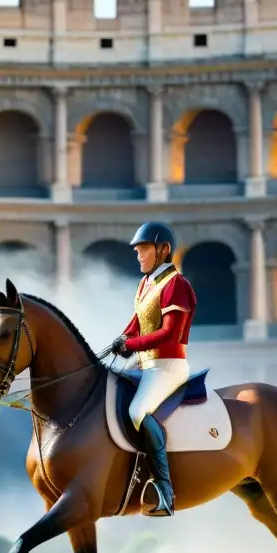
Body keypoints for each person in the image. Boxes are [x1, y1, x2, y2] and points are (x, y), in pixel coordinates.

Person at [109, 221, 198, 518]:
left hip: (168, 366)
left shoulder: (177, 285)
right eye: (137, 250)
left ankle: (164, 488)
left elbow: (170, 333)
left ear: (163, 250)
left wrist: (132, 346)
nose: (138, 255)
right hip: (145, 364)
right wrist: (122, 339)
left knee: (137, 412)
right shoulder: (146, 283)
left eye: (144, 249)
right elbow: (136, 323)